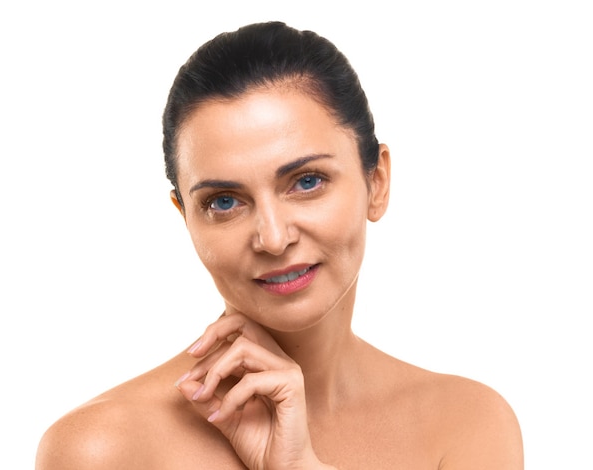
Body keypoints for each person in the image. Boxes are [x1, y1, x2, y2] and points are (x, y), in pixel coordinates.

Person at [36, 21, 523, 469]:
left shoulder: (467, 425)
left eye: (306, 181)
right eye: (224, 202)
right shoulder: (103, 448)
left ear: (376, 182)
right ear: (185, 218)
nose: (272, 238)